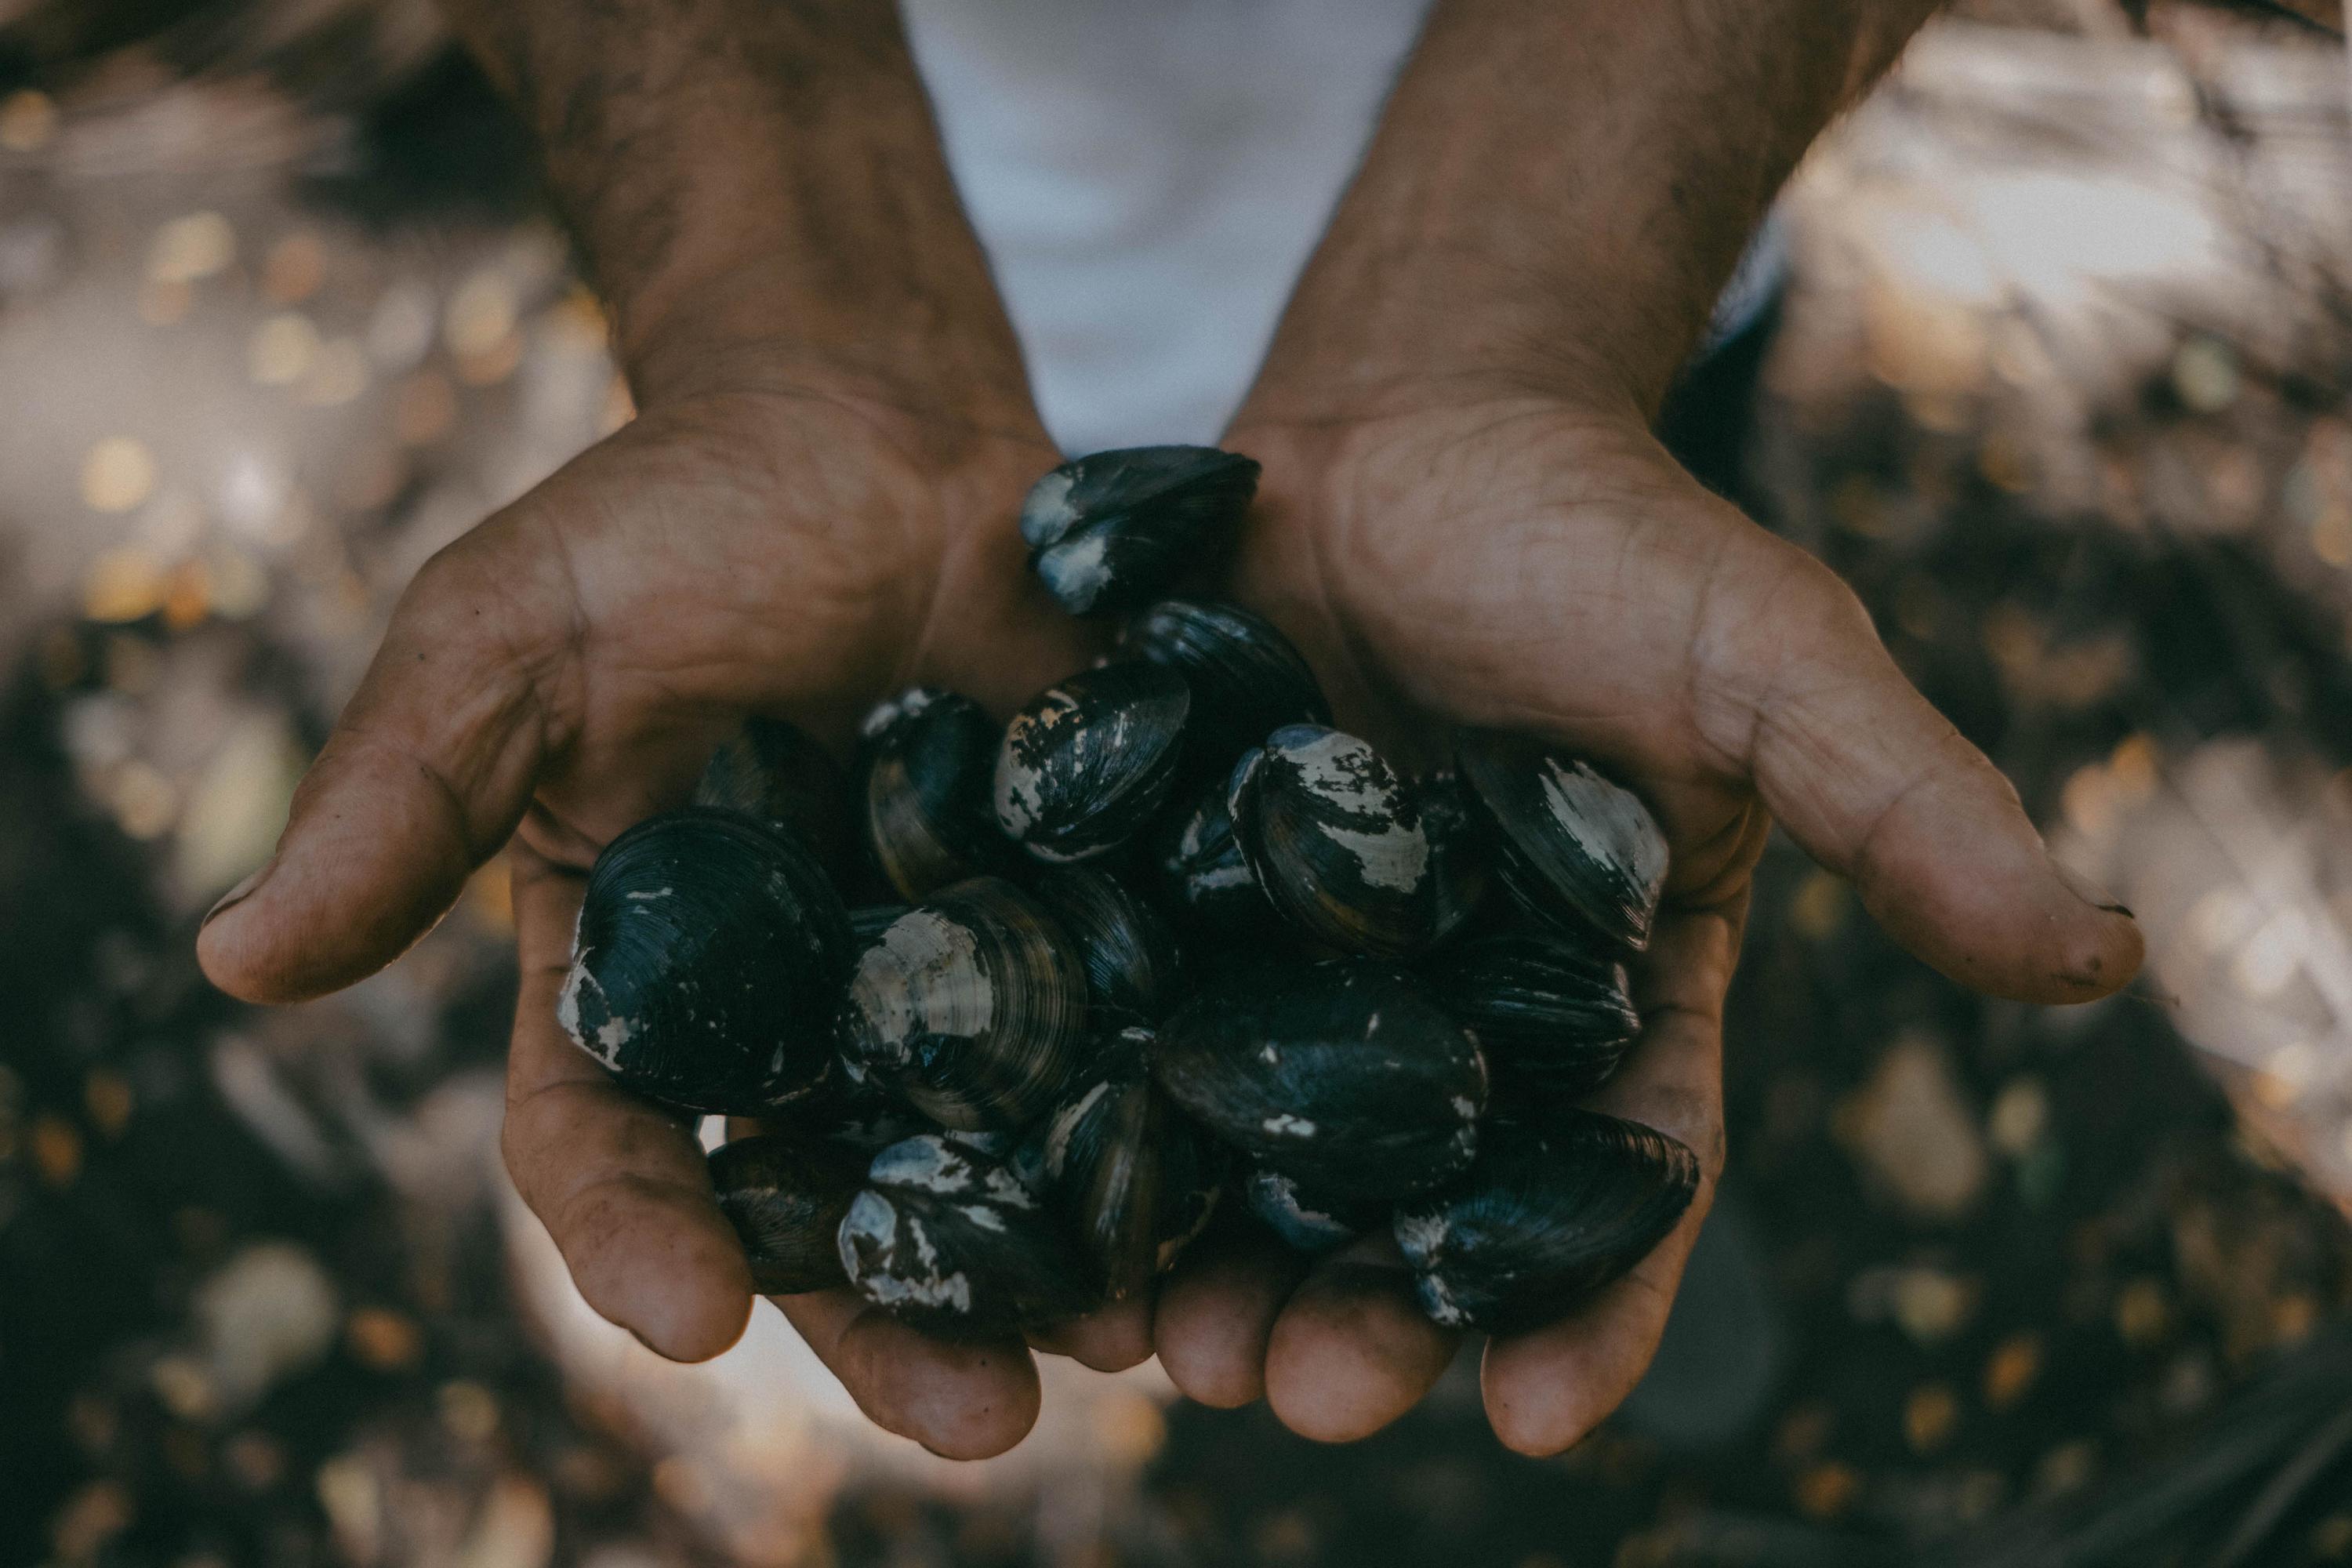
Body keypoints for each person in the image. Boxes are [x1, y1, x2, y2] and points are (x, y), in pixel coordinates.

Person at [194, 0, 2144, 1462]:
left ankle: (1511, 1173)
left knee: (1626, 720)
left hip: (1599, 320)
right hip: (939, 325)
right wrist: (783, 295)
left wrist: (1516, 301)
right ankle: (1441, 1172)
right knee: (1541, 851)